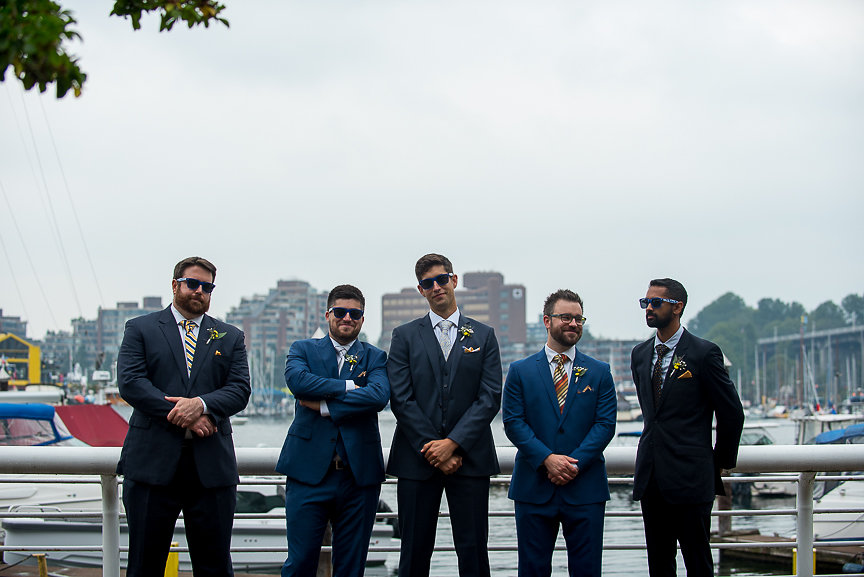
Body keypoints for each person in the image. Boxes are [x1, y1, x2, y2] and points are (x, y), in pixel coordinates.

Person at [117, 256, 251, 577]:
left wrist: (202, 405)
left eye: (207, 287)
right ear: (175, 284)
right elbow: (132, 383)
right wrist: (185, 413)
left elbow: (239, 389)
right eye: (193, 284)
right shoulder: (141, 328)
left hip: (211, 469)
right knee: (144, 566)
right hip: (151, 466)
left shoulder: (229, 336)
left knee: (215, 566)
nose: (199, 291)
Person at [387, 253, 502, 577]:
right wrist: (434, 448)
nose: (436, 287)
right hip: (416, 459)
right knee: (413, 551)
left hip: (470, 458)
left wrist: (452, 443)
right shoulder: (404, 335)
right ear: (420, 290)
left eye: (441, 279)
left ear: (454, 280)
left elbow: (490, 396)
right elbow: (402, 398)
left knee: (474, 551)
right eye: (428, 283)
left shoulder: (484, 335)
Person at [631, 278, 745, 577]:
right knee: (658, 562)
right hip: (651, 476)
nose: (648, 308)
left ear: (677, 307)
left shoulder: (703, 353)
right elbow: (652, 415)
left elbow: (731, 413)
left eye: (656, 302)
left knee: (697, 561)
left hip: (692, 477)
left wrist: (717, 463)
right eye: (645, 303)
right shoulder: (640, 355)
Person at [275, 284, 390, 577]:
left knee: (351, 567)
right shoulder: (302, 349)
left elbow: (378, 396)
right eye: (340, 312)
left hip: (358, 477)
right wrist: (351, 386)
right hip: (307, 473)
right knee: (299, 563)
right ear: (328, 314)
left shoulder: (375, 357)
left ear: (362, 319)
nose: (347, 318)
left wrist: (325, 406)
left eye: (355, 313)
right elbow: (299, 384)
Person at [503, 289, 617, 577]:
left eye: (579, 319)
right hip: (534, 487)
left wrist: (572, 463)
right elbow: (513, 422)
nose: (573, 324)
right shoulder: (520, 371)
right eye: (566, 317)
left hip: (586, 488)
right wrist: (547, 459)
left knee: (588, 571)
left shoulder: (599, 371)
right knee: (532, 570)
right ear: (547, 320)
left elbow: (605, 425)